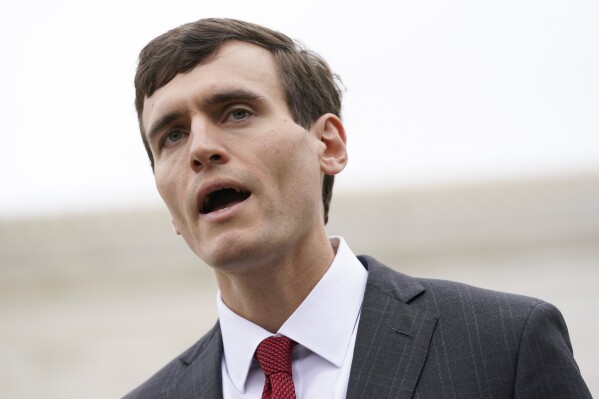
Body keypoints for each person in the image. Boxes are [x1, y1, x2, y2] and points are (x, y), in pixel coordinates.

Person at [124, 18, 591, 399]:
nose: (201, 149)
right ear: (168, 203)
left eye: (237, 112)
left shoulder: (503, 345)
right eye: (173, 135)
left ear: (327, 144)